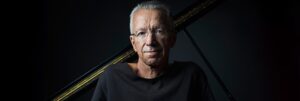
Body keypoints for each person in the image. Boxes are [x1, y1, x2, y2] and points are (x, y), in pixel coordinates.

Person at [91, 1, 215, 101]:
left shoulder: (191, 75)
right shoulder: (112, 77)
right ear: (133, 43)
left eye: (159, 31)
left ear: (172, 39)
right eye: (141, 33)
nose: (150, 41)